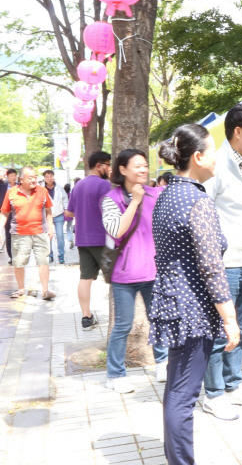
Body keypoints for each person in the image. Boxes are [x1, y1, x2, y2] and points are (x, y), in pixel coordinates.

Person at [150, 124, 240, 465]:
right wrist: (230, 319)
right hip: (193, 309)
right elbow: (211, 266)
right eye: (213, 150)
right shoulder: (197, 200)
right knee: (183, 396)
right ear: (198, 156)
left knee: (177, 391)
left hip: (173, 301)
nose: (217, 157)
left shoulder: (167, 195)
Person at [202, 103, 242, 420]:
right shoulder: (216, 163)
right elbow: (201, 210)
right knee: (219, 330)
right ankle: (213, 394)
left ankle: (232, 387)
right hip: (223, 264)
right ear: (238, 131)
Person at [101, 149, 168, 393]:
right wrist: (135, 201)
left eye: (144, 165)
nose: (143, 169)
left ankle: (162, 363)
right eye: (136, 165)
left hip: (153, 271)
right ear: (122, 169)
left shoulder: (157, 194)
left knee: (158, 320)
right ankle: (115, 374)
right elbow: (116, 230)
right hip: (124, 275)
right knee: (123, 326)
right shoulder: (111, 198)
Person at [65, 151, 112, 331]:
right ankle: (117, 318)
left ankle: (86, 317)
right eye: (107, 164)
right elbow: (110, 212)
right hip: (102, 239)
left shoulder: (78, 186)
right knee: (114, 278)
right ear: (99, 166)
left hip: (83, 239)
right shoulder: (104, 185)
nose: (109, 168)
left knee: (85, 278)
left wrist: (85, 212)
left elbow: (69, 213)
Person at [0, 167, 56, 300]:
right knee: (19, 262)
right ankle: (20, 289)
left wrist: (51, 228)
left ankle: (45, 290)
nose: (33, 180)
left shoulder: (42, 191)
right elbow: (4, 213)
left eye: (35, 177)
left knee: (43, 261)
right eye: (30, 177)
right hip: (19, 234)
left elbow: (48, 211)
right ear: (21, 179)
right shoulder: (11, 193)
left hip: (40, 232)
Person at [43, 170, 68, 264]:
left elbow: (65, 199)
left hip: (59, 215)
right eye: (47, 176)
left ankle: (61, 255)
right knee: (48, 236)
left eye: (51, 176)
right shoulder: (41, 189)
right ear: (44, 178)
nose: (49, 178)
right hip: (46, 216)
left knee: (60, 236)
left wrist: (66, 209)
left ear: (53, 177)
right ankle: (49, 255)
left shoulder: (59, 188)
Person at [2, 169, 18, 263]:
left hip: (18, 214)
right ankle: (11, 256)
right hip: (7, 214)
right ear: (7, 177)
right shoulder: (2, 186)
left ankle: (18, 254)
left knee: (18, 234)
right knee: (8, 235)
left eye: (14, 175)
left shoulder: (20, 186)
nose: (13, 177)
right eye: (11, 175)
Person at [63, 183, 74, 248]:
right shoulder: (71, 195)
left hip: (63, 214)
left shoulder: (63, 195)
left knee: (60, 227)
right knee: (68, 228)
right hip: (70, 214)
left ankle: (60, 239)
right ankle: (70, 239)